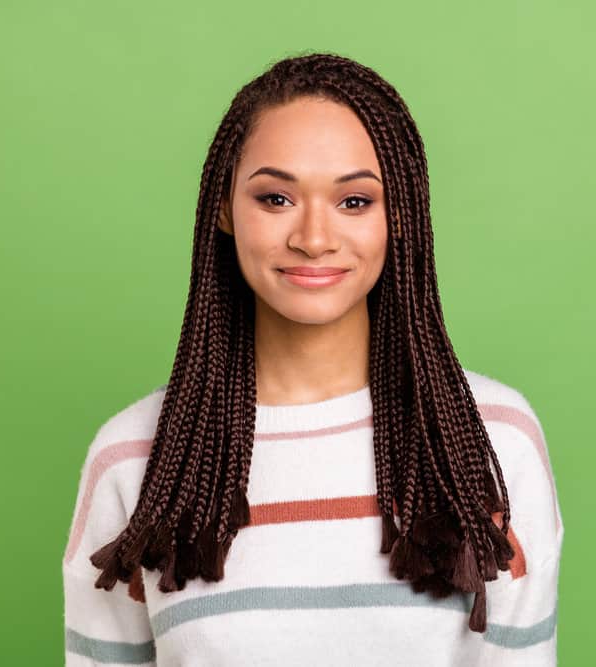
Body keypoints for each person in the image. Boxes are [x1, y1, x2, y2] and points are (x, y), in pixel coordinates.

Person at [62, 51, 564, 666]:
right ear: (223, 208)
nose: (315, 238)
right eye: (276, 199)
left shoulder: (491, 441)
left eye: (354, 201)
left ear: (398, 216)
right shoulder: (136, 459)